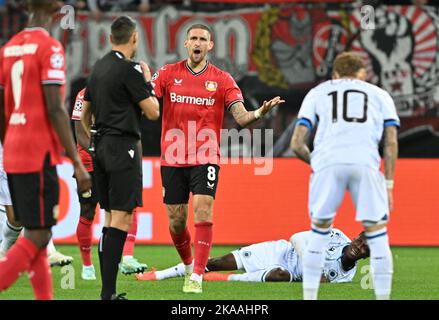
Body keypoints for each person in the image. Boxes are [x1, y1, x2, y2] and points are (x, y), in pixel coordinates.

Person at [151, 23, 284, 294]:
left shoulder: (222, 79)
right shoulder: (166, 73)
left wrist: (259, 112)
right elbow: (149, 105)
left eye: (203, 39)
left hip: (205, 155)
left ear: (210, 45)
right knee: (176, 221)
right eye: (193, 39)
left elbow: (241, 117)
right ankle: (189, 265)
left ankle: (197, 275)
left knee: (203, 209)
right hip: (172, 156)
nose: (198, 42)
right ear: (186, 44)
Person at [0, 0, 91, 300]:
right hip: (37, 152)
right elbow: (55, 109)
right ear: (54, 9)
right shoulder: (49, 47)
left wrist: (8, 143)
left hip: (12, 150)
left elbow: (2, 107)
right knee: (39, 234)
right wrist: (77, 162)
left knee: (35, 233)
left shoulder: (10, 47)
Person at [290, 51, 399, 300]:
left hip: (328, 164)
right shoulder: (380, 95)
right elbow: (391, 143)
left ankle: (309, 298)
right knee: (378, 236)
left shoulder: (318, 92)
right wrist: (389, 184)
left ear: (335, 74)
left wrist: (317, 163)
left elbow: (297, 144)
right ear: (362, 74)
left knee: (318, 235)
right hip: (366, 165)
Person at [80, 15, 159, 300]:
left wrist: (95, 141)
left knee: (110, 217)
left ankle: (107, 293)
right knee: (121, 220)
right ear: (134, 38)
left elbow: (84, 116)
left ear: (110, 38)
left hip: (98, 146)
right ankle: (108, 293)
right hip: (122, 147)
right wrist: (148, 82)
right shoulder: (130, 70)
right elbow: (152, 112)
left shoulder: (98, 68)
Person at [72, 88, 147, 280]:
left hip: (114, 158)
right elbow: (79, 132)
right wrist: (99, 154)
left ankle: (128, 256)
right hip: (89, 162)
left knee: (125, 207)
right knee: (88, 212)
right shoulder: (84, 94)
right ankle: (87, 265)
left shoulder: (120, 91)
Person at [137, 228, 370, 283]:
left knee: (280, 275)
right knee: (218, 262)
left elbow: (315, 281)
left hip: (290, 273)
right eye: (360, 239)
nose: (358, 245)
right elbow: (297, 237)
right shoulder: (336, 235)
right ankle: (160, 275)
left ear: (365, 256)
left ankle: (227, 279)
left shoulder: (345, 277)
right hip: (280, 250)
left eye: (363, 248)